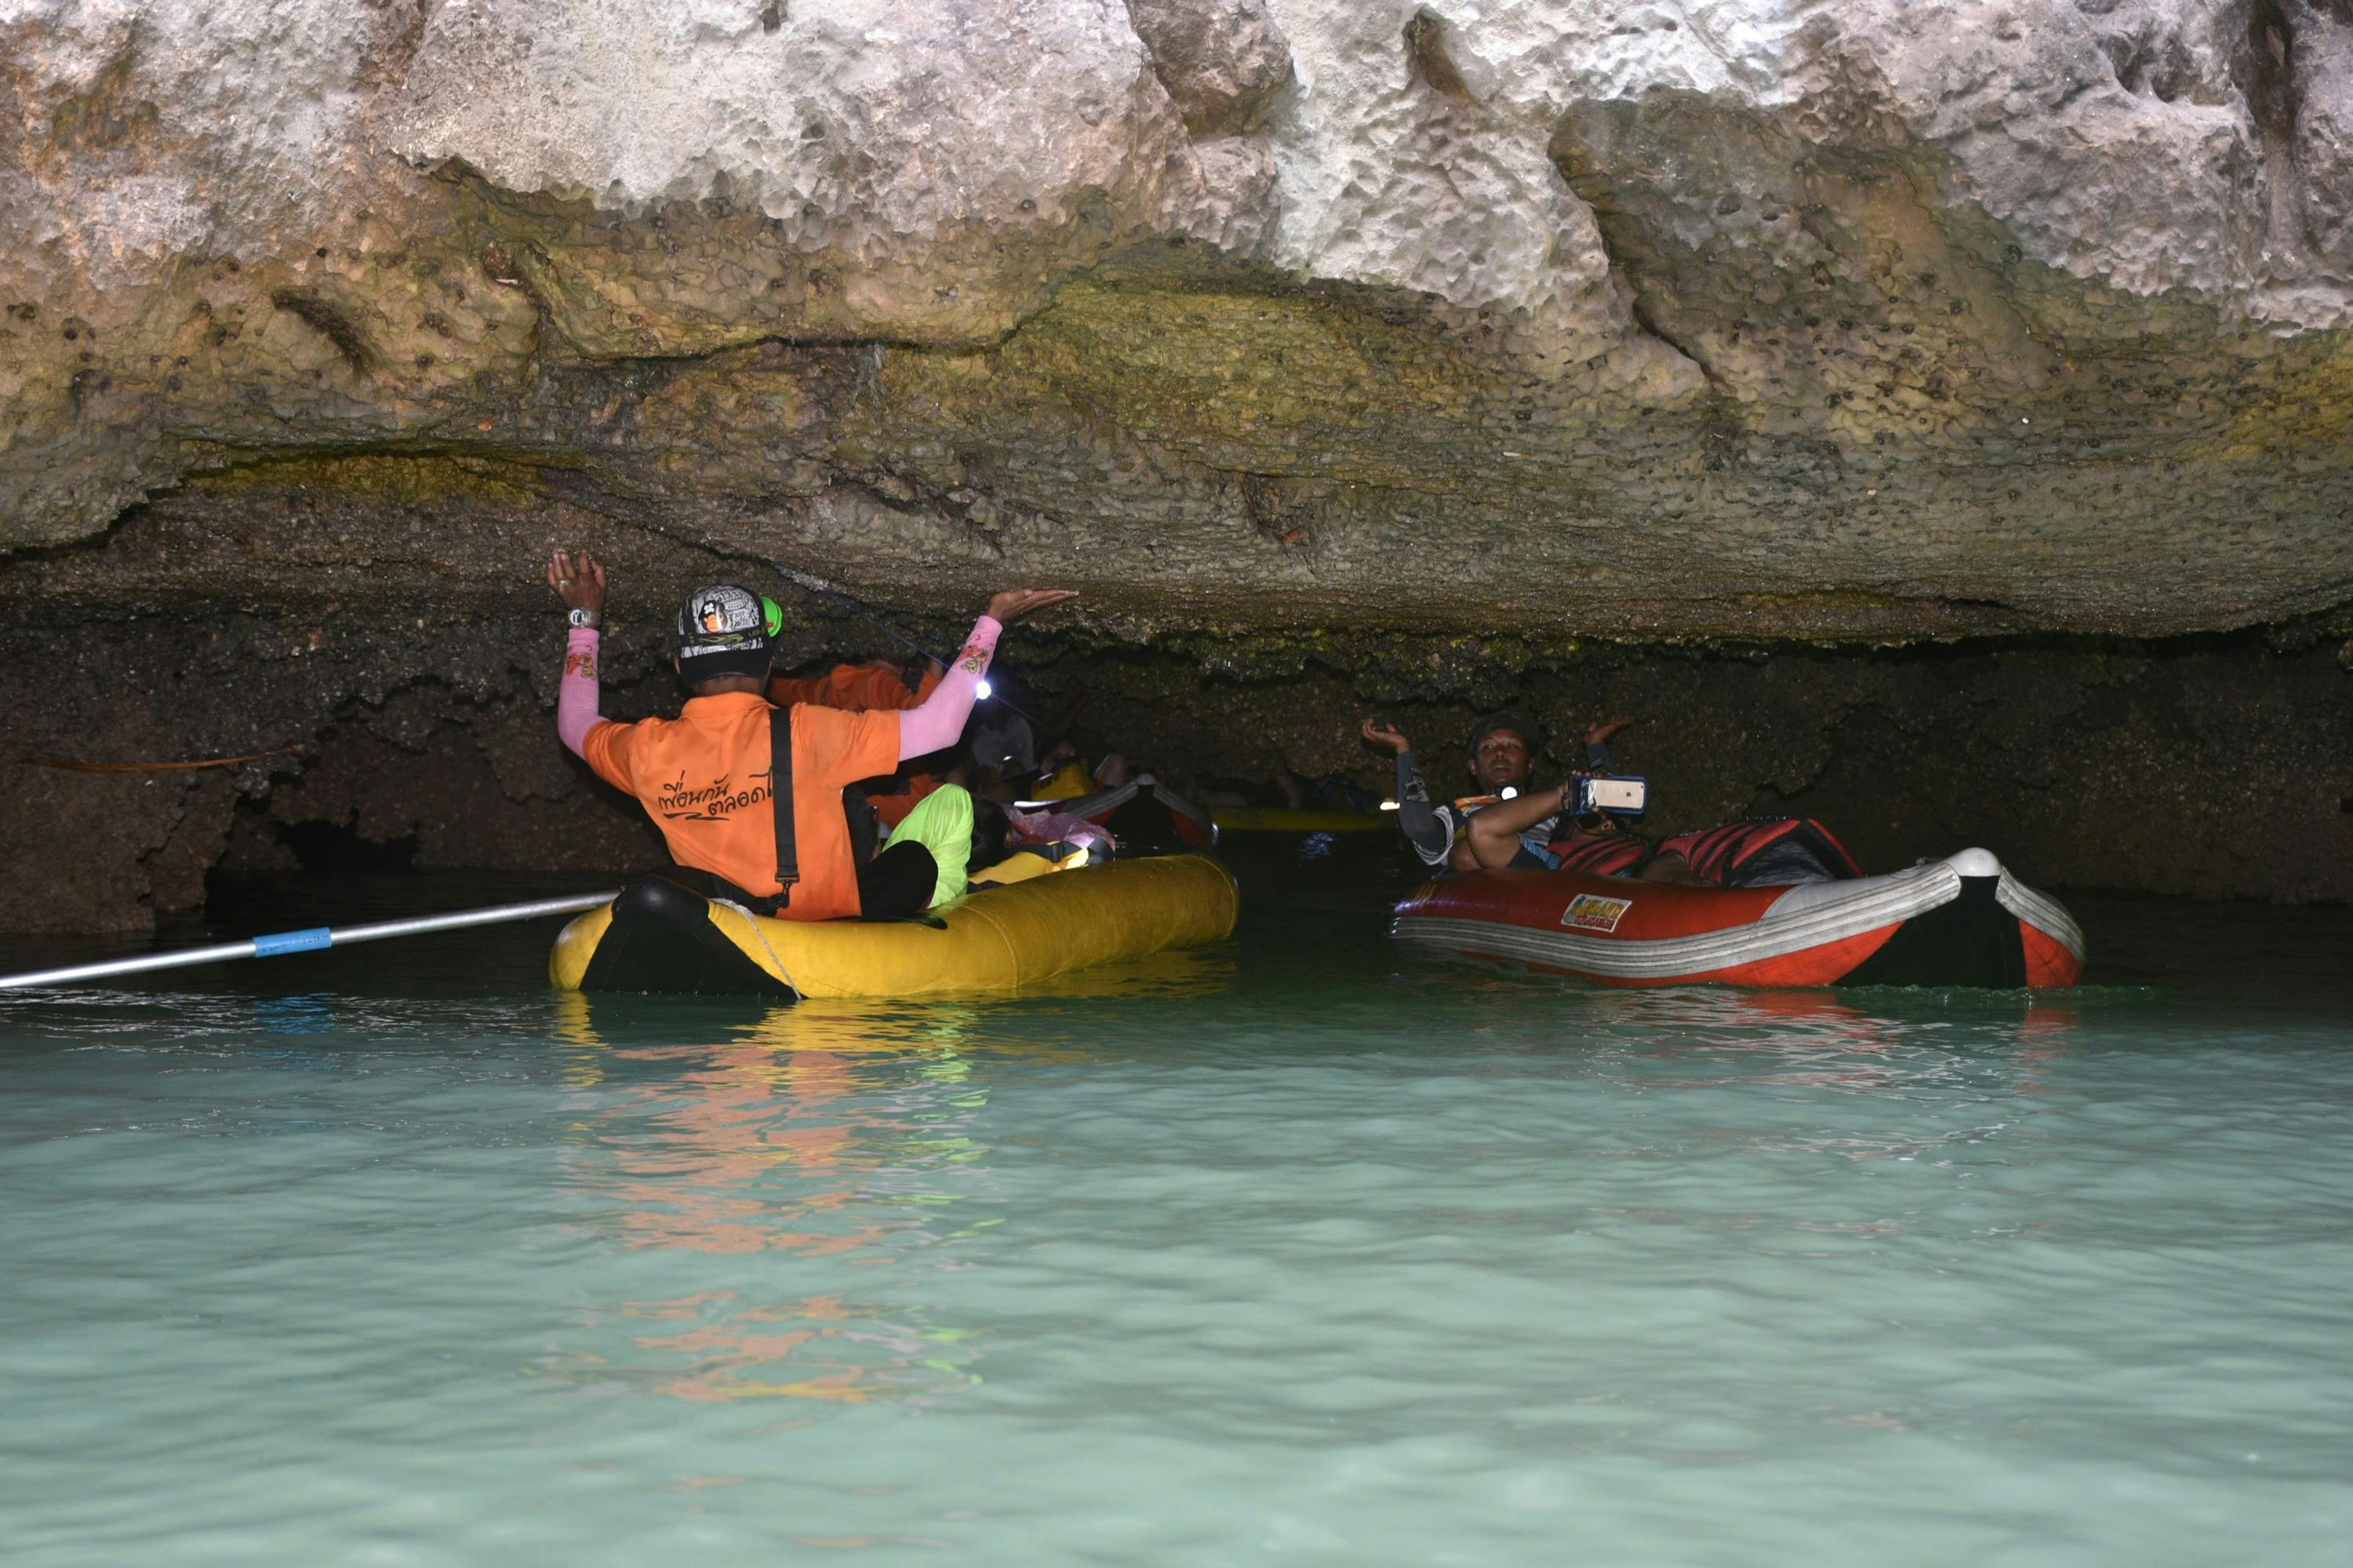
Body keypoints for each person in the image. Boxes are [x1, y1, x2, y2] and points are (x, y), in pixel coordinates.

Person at [546, 550, 1074, 920]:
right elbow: (940, 726)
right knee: (928, 842)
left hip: (732, 918)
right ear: (768, 662)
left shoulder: (646, 748)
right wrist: (992, 622)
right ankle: (942, 921)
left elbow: (575, 726)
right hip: (826, 924)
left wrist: (583, 619)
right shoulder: (809, 730)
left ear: (681, 666)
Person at [1362, 709, 1630, 872]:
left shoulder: (1556, 808)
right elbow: (1419, 828)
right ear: (1473, 767)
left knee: (1596, 821)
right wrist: (1403, 751)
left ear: (1532, 764)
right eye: (1488, 748)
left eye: (1512, 746)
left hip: (1555, 874)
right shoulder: (1459, 811)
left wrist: (1595, 747)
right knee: (1465, 854)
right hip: (1494, 884)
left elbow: (1617, 814)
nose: (1500, 752)